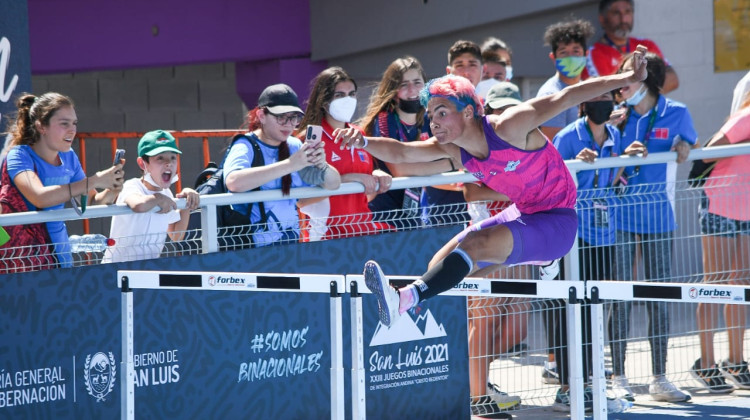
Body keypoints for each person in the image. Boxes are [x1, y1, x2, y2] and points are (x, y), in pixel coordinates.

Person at [334, 45, 650, 414]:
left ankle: (405, 299)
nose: (432, 121)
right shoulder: (453, 149)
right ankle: (422, 297)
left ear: (468, 112)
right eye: (430, 114)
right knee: (446, 258)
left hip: (559, 220)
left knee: (480, 243)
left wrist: (628, 78)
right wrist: (363, 140)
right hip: (525, 213)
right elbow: (402, 153)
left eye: (441, 112)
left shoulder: (509, 124)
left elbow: (566, 95)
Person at [608, 52, 695, 403]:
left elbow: (690, 143)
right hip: (621, 218)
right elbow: (603, 161)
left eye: (627, 76)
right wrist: (618, 148)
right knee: (620, 298)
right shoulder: (616, 118)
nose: (621, 84)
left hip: (660, 216)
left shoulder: (677, 112)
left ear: (647, 77)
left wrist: (684, 145)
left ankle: (660, 377)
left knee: (659, 296)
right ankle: (618, 376)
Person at [551, 88, 625, 411]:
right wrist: (573, 166)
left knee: (595, 307)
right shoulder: (568, 137)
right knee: (570, 308)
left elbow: (618, 179)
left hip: (604, 232)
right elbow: (551, 177)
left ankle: (592, 380)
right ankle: (567, 385)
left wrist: (632, 158)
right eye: (596, 98)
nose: (602, 103)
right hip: (573, 234)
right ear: (583, 104)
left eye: (607, 97)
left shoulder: (616, 136)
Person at [463, 81, 530, 416]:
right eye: (497, 109)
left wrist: (522, 190)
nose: (504, 116)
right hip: (488, 241)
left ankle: (473, 377)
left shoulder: (529, 145)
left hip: (522, 241)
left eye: (510, 109)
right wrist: (518, 189)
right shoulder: (481, 146)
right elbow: (471, 193)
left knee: (518, 327)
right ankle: (478, 396)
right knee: (484, 321)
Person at [4, 92, 123, 268]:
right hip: (20, 255)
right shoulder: (19, 155)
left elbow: (91, 202)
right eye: (64, 124)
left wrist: (112, 189)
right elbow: (40, 197)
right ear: (41, 126)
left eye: (74, 123)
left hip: (59, 254)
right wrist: (95, 180)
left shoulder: (69, 157)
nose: (72, 130)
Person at [222, 83, 341, 247]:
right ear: (261, 115)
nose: (289, 124)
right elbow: (234, 182)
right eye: (281, 117)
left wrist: (322, 164)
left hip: (290, 245)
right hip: (250, 250)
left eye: (294, 117)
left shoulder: (294, 145)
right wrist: (290, 165)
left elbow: (334, 183)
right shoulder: (245, 145)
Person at [691, 92, 750, 393]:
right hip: (719, 204)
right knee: (714, 281)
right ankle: (706, 362)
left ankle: (736, 361)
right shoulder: (746, 116)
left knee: (739, 284)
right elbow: (708, 153)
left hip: (746, 209)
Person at [294, 67, 393, 240]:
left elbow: (365, 195)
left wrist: (376, 176)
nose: (347, 100)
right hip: (326, 239)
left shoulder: (359, 135)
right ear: (324, 102)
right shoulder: (310, 139)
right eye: (339, 95)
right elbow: (301, 200)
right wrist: (349, 178)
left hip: (363, 233)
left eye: (351, 94)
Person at [360, 57, 456, 230]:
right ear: (393, 90)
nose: (412, 90)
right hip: (384, 214)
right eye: (404, 84)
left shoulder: (430, 118)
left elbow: (451, 148)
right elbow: (400, 170)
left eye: (417, 82)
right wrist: (450, 163)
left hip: (417, 213)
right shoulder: (384, 120)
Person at [102, 131, 200, 263]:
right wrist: (158, 198)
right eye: (160, 158)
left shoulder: (166, 194)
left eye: (173, 157)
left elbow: (176, 234)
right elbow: (138, 205)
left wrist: (186, 201)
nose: (168, 163)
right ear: (143, 164)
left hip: (148, 268)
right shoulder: (131, 186)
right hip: (116, 269)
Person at [419, 40, 483, 227]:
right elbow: (426, 165)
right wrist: (466, 180)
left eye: (472, 65)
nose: (466, 72)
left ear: (482, 69)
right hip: (443, 213)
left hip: (482, 214)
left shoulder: (488, 108)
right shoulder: (431, 111)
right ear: (449, 72)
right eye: (459, 65)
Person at [586, 0, 679, 94]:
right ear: (602, 19)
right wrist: (647, 91)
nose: (623, 19)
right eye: (616, 13)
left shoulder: (646, 44)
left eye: (627, 12)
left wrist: (637, 95)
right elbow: (607, 94)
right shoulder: (594, 53)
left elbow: (672, 80)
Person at [537, 19, 596, 140]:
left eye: (576, 51)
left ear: (586, 54)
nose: (571, 57)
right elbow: (554, 145)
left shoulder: (585, 89)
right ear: (553, 57)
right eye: (564, 52)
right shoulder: (551, 95)